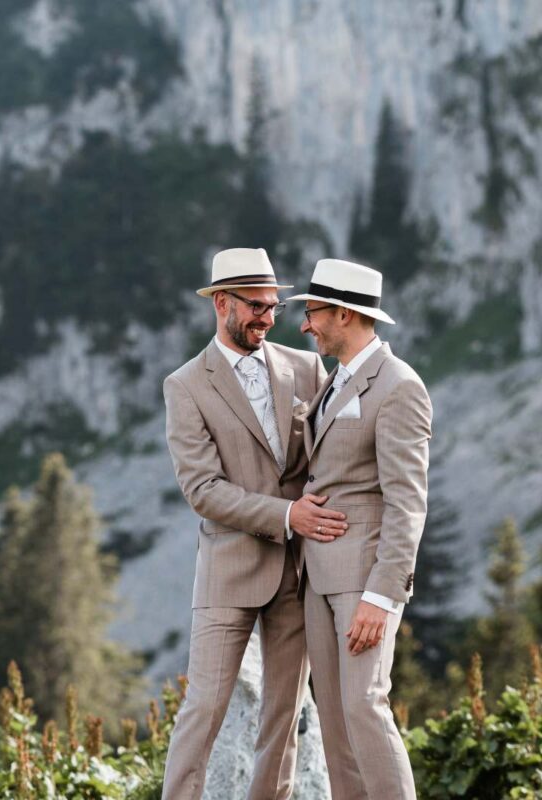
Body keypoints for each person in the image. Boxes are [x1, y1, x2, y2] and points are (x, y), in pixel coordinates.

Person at [161, 248, 345, 800]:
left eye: (274, 306)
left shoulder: (307, 368)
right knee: (204, 709)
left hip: (297, 573)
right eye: (256, 306)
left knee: (283, 716)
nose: (268, 317)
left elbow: (330, 455)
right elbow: (202, 490)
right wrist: (287, 515)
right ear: (222, 304)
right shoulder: (186, 385)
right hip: (227, 570)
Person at [289, 258, 431, 800]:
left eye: (314, 312)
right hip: (317, 577)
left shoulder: (398, 387)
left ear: (344, 314)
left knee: (364, 707)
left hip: (363, 582)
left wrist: (382, 595)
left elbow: (407, 501)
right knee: (335, 718)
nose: (306, 324)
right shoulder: (335, 382)